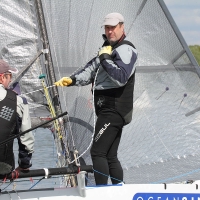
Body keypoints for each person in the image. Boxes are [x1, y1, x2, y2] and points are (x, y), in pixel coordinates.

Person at [55, 12, 138, 185]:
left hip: (114, 109)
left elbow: (121, 77)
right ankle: (118, 191)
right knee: (109, 155)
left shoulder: (126, 49)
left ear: (122, 26)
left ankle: (102, 192)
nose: (109, 32)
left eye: (113, 28)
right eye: (107, 28)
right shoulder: (107, 49)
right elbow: (90, 70)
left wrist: (105, 58)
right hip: (106, 110)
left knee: (97, 152)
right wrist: (72, 80)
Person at [0, 59, 34, 175]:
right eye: (9, 76)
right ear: (2, 77)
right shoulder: (18, 102)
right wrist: (24, 165)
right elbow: (26, 137)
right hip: (3, 166)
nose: (10, 80)